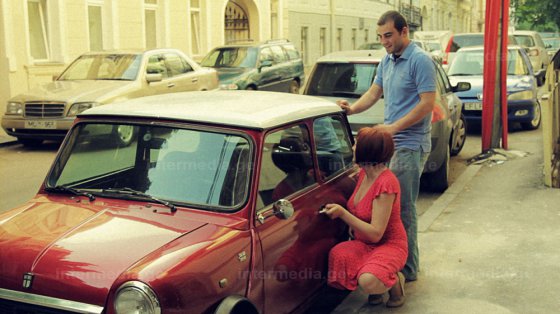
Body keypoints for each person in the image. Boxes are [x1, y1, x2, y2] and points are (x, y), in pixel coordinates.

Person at [337, 10, 436, 284]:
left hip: (409, 144)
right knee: (385, 210)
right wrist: (351, 110)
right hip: (390, 144)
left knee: (403, 209)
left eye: (388, 35)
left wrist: (393, 127)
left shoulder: (420, 61)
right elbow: (373, 92)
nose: (384, 41)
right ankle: (386, 264)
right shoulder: (387, 61)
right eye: (380, 36)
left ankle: (407, 270)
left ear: (405, 32)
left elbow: (428, 103)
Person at [322, 127, 407, 307]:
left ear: (367, 151)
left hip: (389, 243)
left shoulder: (386, 183)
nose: (352, 147)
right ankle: (377, 285)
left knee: (368, 281)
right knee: (338, 255)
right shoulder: (364, 173)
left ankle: (395, 285)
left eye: (356, 144)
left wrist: (342, 213)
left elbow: (376, 234)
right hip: (364, 242)